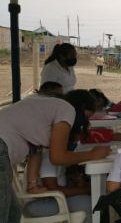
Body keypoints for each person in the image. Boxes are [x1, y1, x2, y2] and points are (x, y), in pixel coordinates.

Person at [0, 89, 110, 222]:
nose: (82, 123)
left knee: (13, 211)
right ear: (81, 107)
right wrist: (91, 155)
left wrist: (32, 185)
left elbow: (36, 149)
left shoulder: (47, 108)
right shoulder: (67, 109)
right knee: (3, 213)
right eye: (85, 117)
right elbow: (57, 157)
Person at [23, 127, 93, 223]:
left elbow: (59, 177)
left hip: (52, 198)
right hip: (38, 204)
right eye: (73, 141)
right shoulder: (47, 158)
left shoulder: (54, 154)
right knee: (90, 202)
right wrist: (85, 190)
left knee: (90, 195)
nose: (75, 145)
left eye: (76, 141)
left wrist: (76, 183)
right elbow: (54, 188)